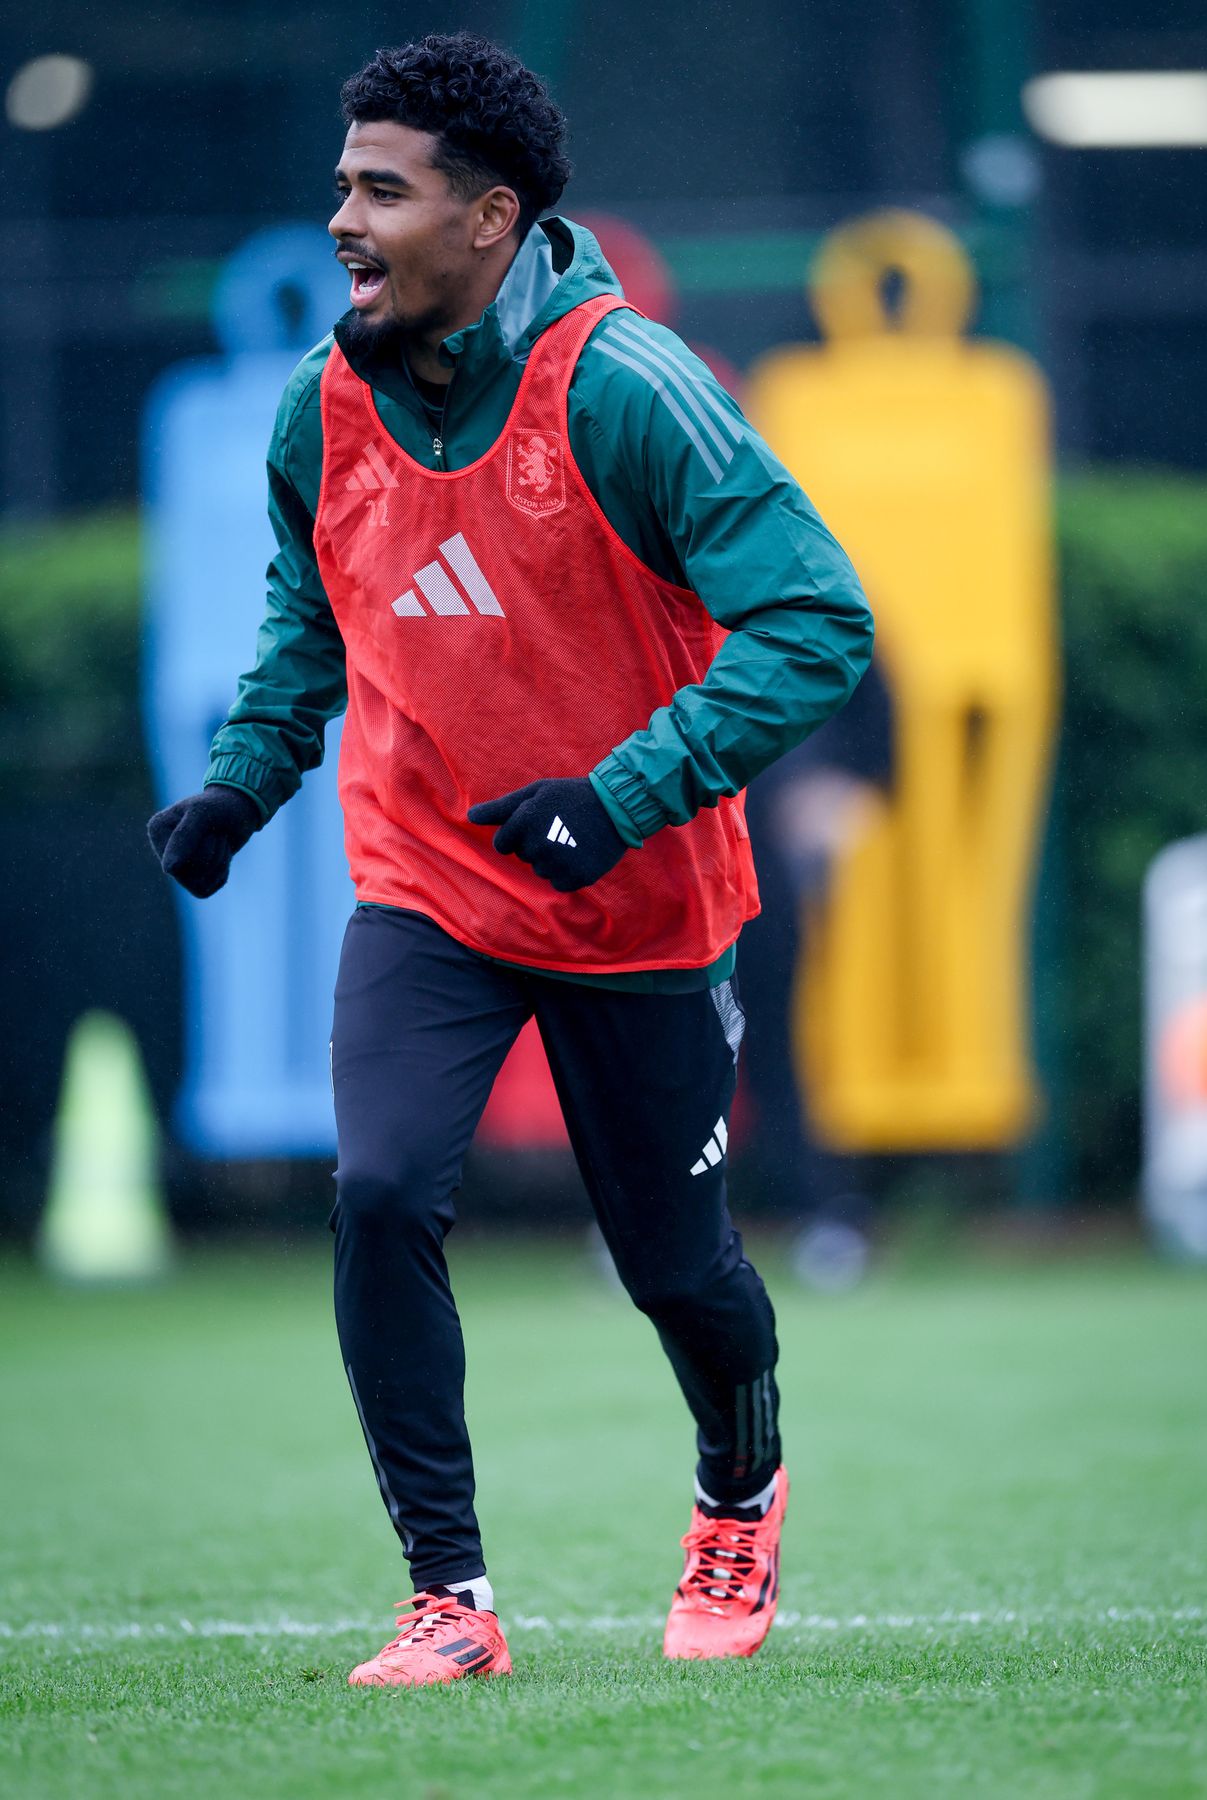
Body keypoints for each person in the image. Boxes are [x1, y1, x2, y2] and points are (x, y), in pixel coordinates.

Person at [147, 32, 872, 1686]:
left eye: (378, 190)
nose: (342, 217)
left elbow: (816, 621)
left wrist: (618, 798)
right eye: (340, 181)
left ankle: (736, 1496)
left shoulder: (630, 386)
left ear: (488, 220)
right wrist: (243, 784)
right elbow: (305, 623)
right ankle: (446, 1592)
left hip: (637, 901)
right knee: (385, 1188)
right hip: (426, 888)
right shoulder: (317, 402)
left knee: (675, 1269)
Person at [738, 655, 895, 1289]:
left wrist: (838, 786)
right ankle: (650, 1220)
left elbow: (875, 714)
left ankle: (820, 1217)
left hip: (770, 857)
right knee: (674, 1041)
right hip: (669, 845)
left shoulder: (798, 571)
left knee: (777, 1044)